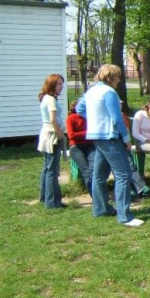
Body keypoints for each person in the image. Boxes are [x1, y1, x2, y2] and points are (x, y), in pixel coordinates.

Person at [76, 64, 143, 227]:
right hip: (110, 137)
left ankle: (101, 209)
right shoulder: (109, 92)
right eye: (117, 76)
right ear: (110, 77)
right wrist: (127, 138)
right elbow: (117, 118)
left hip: (96, 136)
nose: (119, 80)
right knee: (123, 175)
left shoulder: (91, 91)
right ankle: (125, 216)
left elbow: (79, 109)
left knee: (99, 176)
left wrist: (94, 119)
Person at [37, 74, 67, 209]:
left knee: (47, 167)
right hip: (52, 136)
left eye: (62, 84)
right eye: (59, 84)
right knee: (52, 170)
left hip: (47, 134)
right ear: (52, 85)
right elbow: (53, 119)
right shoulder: (50, 100)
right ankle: (52, 202)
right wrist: (60, 134)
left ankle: (44, 197)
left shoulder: (47, 98)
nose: (61, 87)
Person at [66, 100, 96, 196]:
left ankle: (99, 193)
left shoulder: (89, 118)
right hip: (76, 147)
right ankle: (95, 196)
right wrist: (87, 132)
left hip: (90, 146)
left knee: (94, 168)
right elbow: (71, 135)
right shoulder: (71, 118)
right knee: (86, 171)